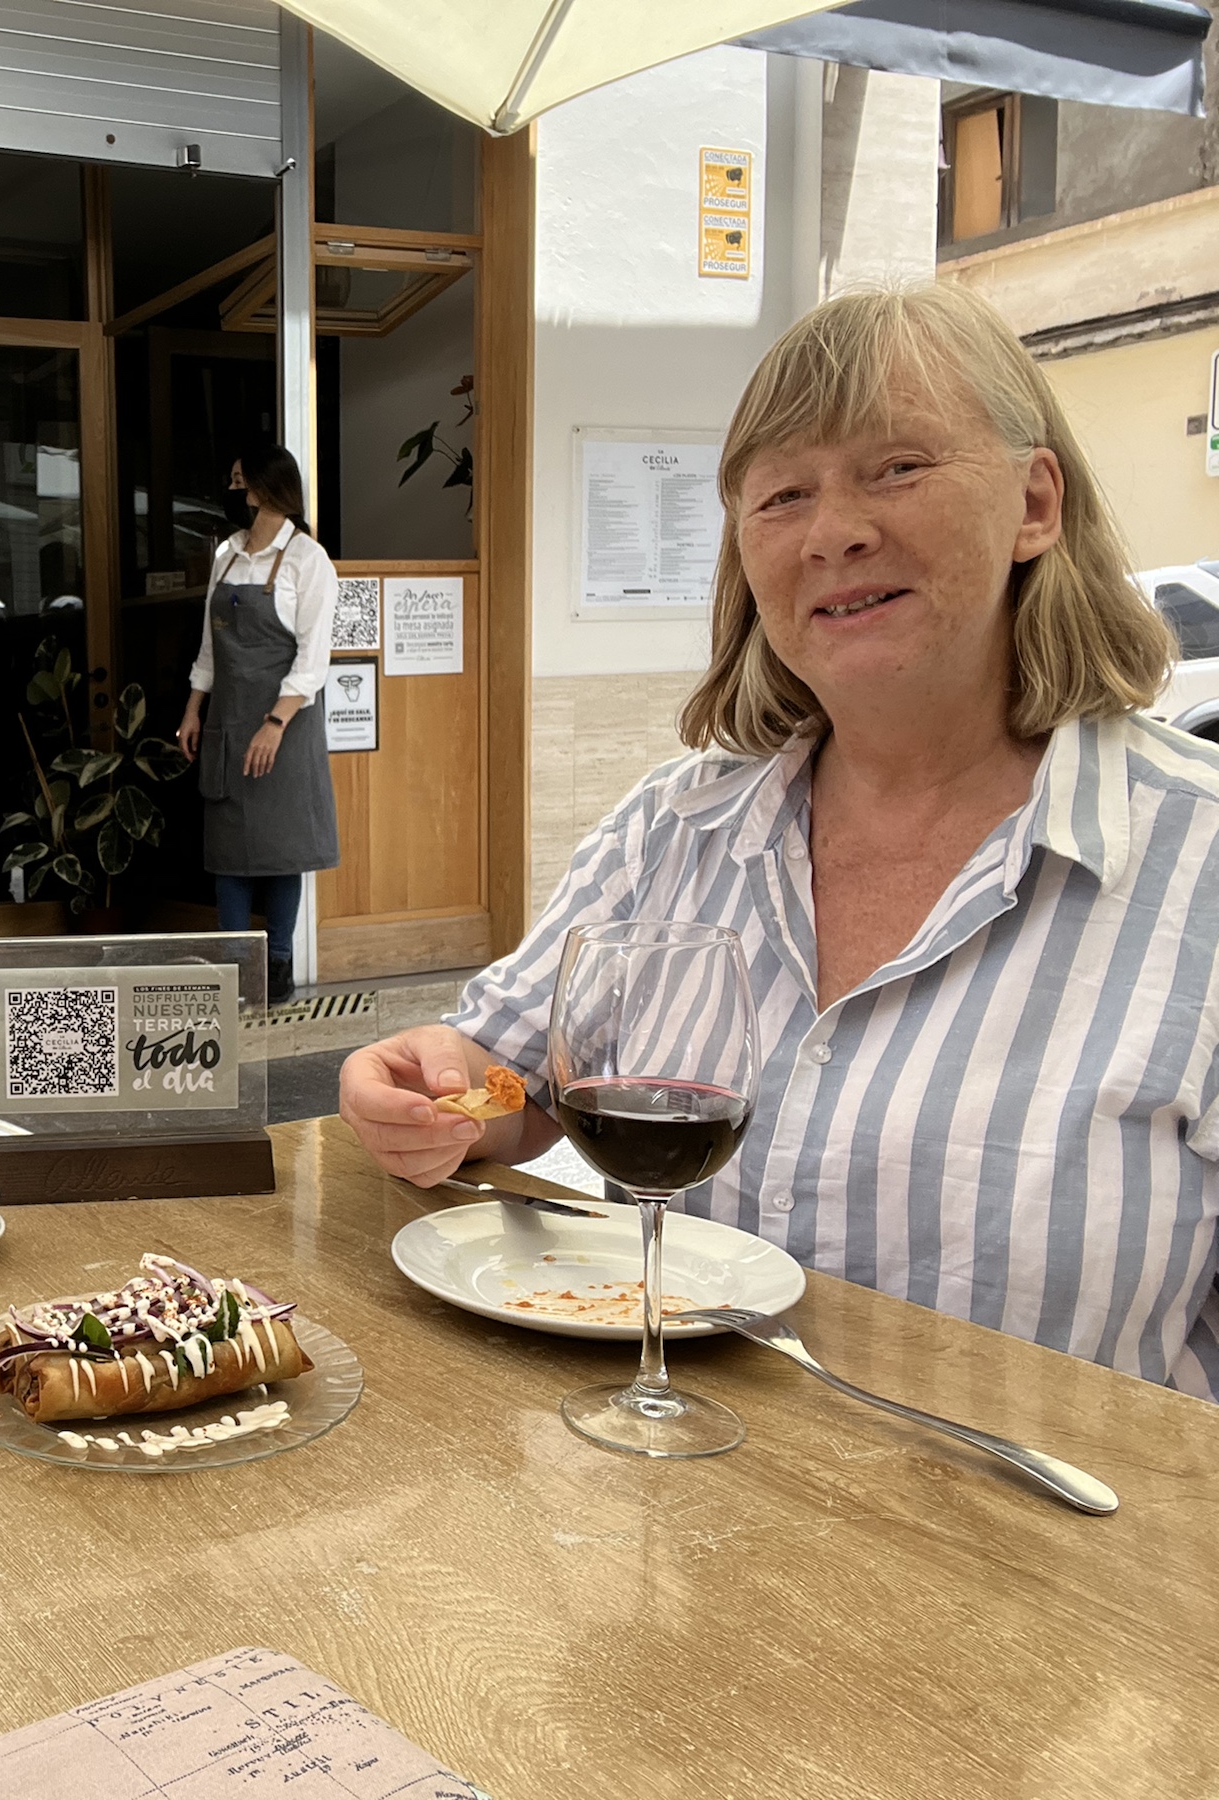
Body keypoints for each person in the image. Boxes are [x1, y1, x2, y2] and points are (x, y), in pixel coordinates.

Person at [338, 281, 1219, 1400]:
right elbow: (511, 1082)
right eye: (783, 494)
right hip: (672, 1476)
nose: (835, 532)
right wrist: (434, 1091)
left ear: (1035, 503)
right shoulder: (674, 828)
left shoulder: (1196, 860)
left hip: (1043, 1504)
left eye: (897, 467)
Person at [177, 446, 340, 1002]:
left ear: (267, 490)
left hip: (285, 727)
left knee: (280, 851)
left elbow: (313, 661)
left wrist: (275, 723)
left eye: (239, 482)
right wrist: (194, 708)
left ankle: (278, 965)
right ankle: (233, 964)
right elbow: (210, 648)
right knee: (228, 852)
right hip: (228, 719)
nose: (233, 492)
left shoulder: (307, 560)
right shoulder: (226, 555)